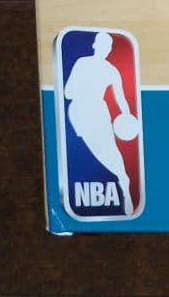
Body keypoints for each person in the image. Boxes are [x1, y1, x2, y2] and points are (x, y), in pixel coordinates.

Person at [64, 32, 135, 216]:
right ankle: (121, 179)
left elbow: (121, 99)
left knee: (110, 149)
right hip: (79, 112)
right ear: (95, 45)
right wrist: (85, 89)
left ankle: (123, 181)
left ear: (109, 49)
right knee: (96, 150)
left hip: (99, 112)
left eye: (107, 46)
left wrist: (127, 117)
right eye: (102, 45)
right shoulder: (82, 63)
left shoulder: (112, 71)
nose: (105, 49)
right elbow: (68, 92)